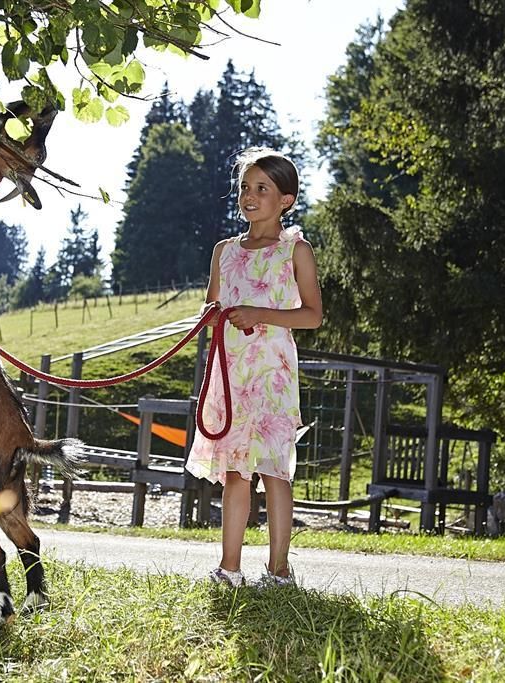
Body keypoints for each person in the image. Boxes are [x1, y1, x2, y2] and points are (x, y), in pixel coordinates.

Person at [185, 147, 323, 588]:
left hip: (272, 374)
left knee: (274, 470)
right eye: (245, 186)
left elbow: (313, 315)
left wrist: (259, 314)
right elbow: (214, 304)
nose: (249, 195)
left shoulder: (295, 251)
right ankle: (230, 568)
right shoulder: (224, 251)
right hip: (231, 373)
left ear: (286, 199)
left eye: (262, 188)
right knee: (234, 471)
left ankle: (279, 570)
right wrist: (211, 315)